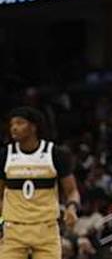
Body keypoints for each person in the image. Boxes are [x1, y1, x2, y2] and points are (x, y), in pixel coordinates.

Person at [0, 106, 81, 259]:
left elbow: (72, 191)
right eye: (12, 125)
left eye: (19, 123)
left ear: (33, 127)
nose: (14, 128)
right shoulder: (5, 155)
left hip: (46, 229)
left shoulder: (55, 153)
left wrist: (72, 207)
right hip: (14, 229)